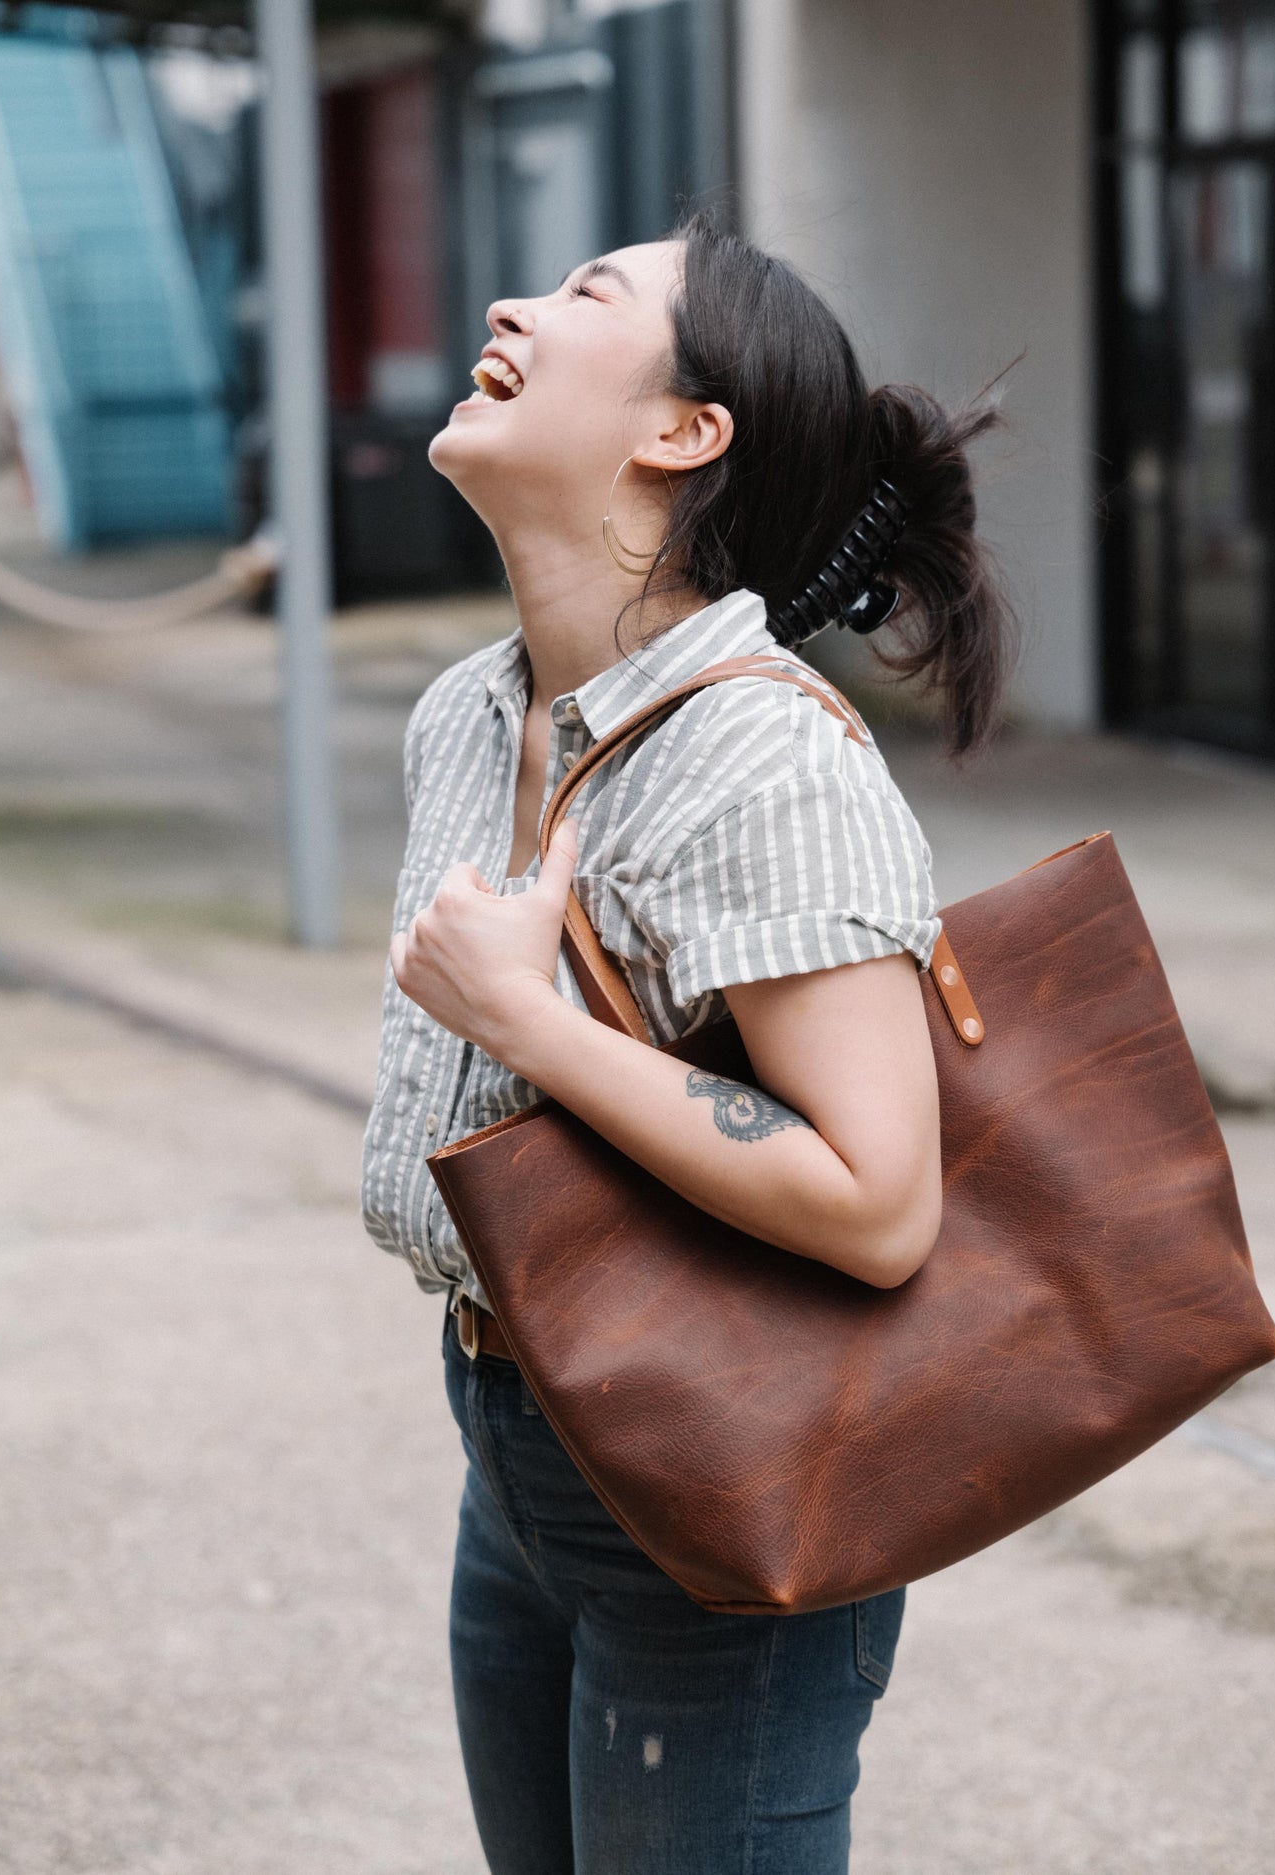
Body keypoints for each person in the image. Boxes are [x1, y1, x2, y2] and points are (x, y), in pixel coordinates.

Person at [359, 211, 1016, 1875]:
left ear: (683, 432)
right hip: (517, 1427)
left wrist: (523, 1018)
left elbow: (880, 1202)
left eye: (586, 295)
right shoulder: (467, 714)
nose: (508, 299)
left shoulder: (761, 764)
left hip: (722, 1484)